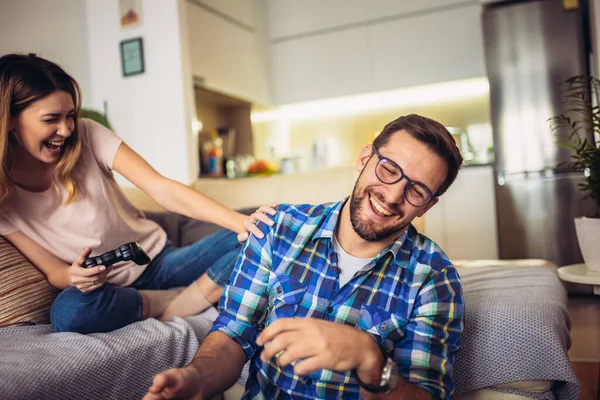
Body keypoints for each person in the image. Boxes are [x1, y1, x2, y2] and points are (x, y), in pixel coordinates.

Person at [144, 114, 465, 400]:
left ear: (427, 205)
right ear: (365, 158)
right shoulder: (277, 229)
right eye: (389, 169)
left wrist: (372, 362)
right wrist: (197, 379)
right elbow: (232, 334)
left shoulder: (434, 278)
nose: (393, 196)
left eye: (417, 191)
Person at [0, 53, 276, 334]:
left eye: (70, 115)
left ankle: (192, 296)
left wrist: (240, 222)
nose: (66, 129)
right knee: (69, 312)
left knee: (269, 233)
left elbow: (162, 189)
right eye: (51, 119)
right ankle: (165, 301)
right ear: (9, 120)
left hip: (160, 261)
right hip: (108, 292)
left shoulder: (88, 134)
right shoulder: (3, 200)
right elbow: (53, 272)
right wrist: (73, 276)